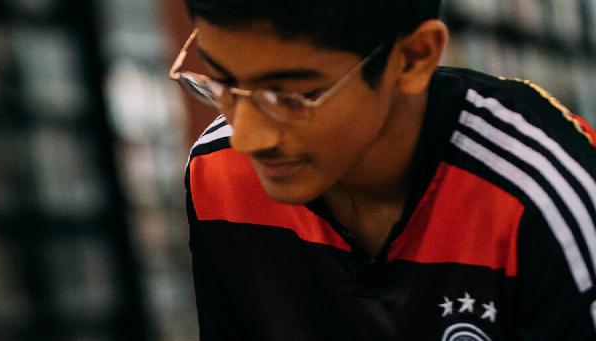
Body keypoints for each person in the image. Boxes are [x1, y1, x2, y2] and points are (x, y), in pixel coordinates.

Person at [178, 0, 596, 339]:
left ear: (415, 57)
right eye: (221, 84)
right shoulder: (219, 173)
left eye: (293, 96)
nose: (247, 138)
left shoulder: (539, 190)